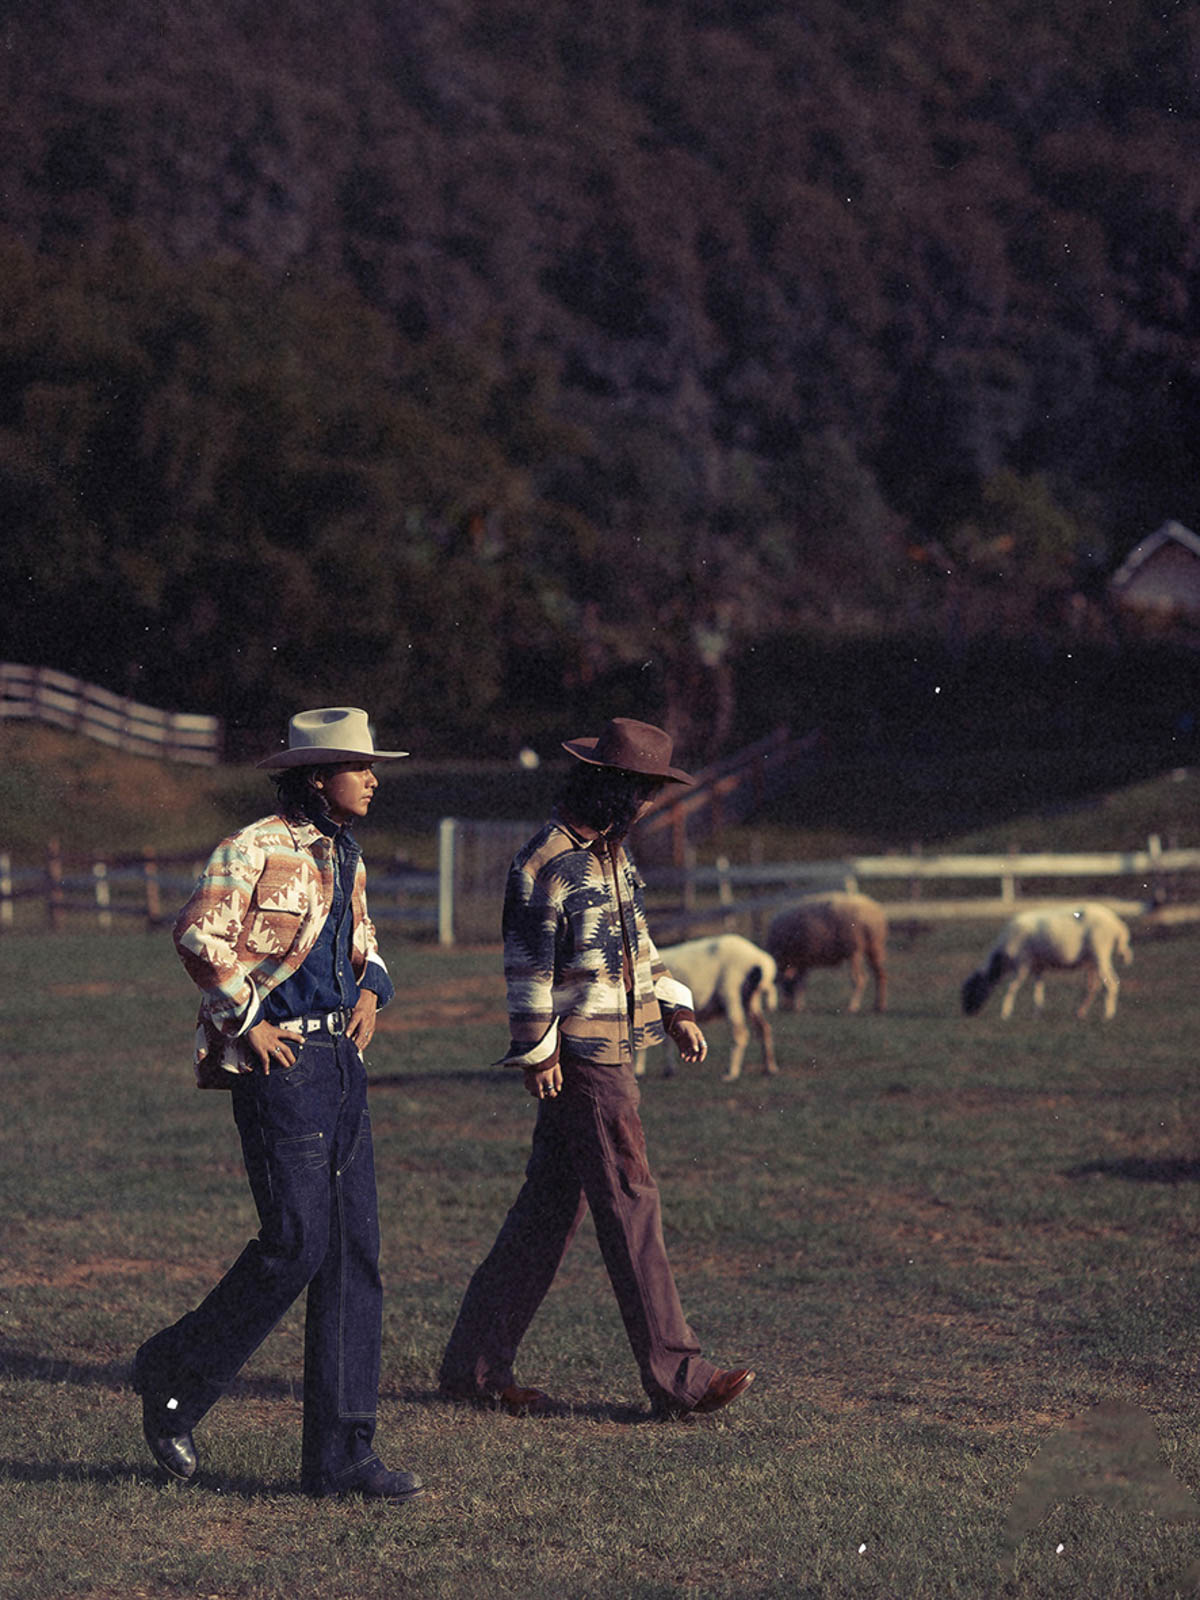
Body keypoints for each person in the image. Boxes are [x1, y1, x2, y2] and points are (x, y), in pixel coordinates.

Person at [132, 706, 424, 1503]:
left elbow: (360, 939)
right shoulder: (253, 847)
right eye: (359, 766)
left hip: (342, 1060)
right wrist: (249, 1020)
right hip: (283, 1060)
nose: (373, 778)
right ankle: (171, 1377)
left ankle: (342, 1457)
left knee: (352, 1253)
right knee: (297, 1243)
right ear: (317, 775)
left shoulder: (345, 854)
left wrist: (372, 988)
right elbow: (198, 937)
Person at [439, 717, 755, 1420]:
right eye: (640, 790)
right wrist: (539, 1051)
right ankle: (681, 1378)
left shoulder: (614, 858)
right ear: (607, 785)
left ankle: (474, 1368)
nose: (646, 805)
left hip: (613, 1048)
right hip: (585, 1060)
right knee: (632, 1202)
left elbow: (638, 945)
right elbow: (526, 969)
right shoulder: (543, 862)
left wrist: (676, 1008)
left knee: (546, 1213)